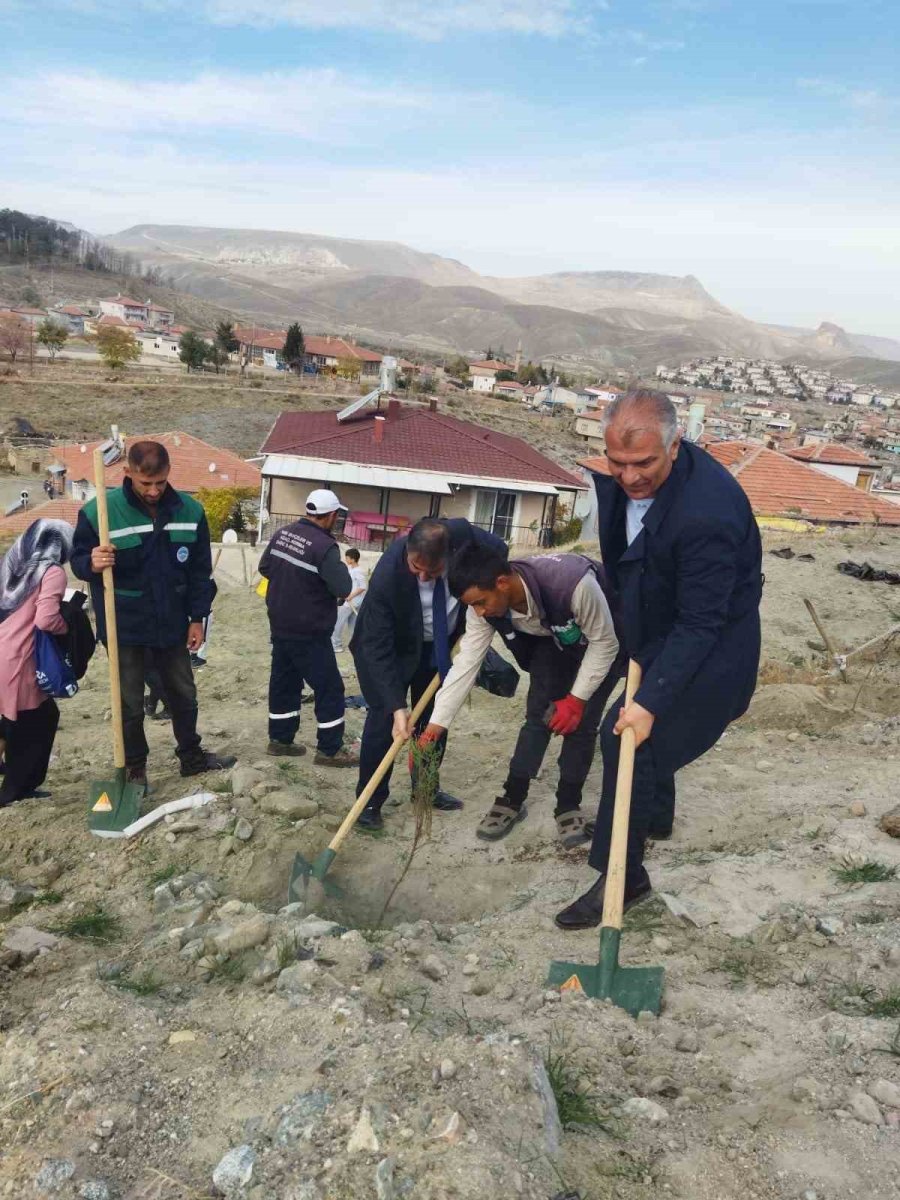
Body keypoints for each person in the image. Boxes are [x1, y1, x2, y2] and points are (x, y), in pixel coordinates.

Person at [555, 389, 763, 929]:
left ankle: (620, 880)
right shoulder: (630, 481)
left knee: (626, 739)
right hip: (662, 635)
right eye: (616, 463)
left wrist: (648, 702)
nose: (628, 477)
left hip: (714, 649)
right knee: (641, 733)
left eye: (643, 462)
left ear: (676, 443)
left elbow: (702, 624)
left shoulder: (707, 514)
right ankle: (657, 818)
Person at [416, 544, 623, 848]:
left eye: (481, 602)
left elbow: (605, 643)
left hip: (600, 639)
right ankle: (513, 797)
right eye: (472, 605)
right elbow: (468, 661)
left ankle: (568, 804)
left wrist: (576, 700)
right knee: (538, 716)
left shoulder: (573, 585)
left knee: (582, 723)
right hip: (548, 638)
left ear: (502, 582)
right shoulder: (483, 606)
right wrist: (437, 724)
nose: (480, 612)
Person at [72, 440, 234, 791]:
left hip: (172, 623)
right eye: (146, 484)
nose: (154, 491)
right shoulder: (98, 512)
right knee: (129, 700)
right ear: (128, 473)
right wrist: (92, 563)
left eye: (160, 482)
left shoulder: (190, 512)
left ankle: (191, 756)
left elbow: (199, 572)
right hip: (124, 625)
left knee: (183, 694)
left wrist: (197, 618)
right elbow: (78, 561)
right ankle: (134, 768)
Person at [350, 516, 506, 831]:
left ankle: (425, 789)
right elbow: (376, 645)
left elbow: (500, 555)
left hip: (440, 648)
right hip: (394, 647)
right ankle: (369, 801)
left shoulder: (476, 548)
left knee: (433, 722)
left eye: (431, 572)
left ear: (452, 556)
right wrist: (396, 704)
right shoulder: (389, 572)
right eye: (415, 568)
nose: (422, 578)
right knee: (384, 721)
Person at [258, 488, 359, 765]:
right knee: (329, 687)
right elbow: (343, 586)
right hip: (309, 629)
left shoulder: (283, 534)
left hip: (279, 622)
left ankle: (280, 740)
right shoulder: (325, 547)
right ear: (332, 516)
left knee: (284, 680)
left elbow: (265, 567)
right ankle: (329, 749)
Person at [0, 519, 72, 808]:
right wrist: (67, 626)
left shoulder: (13, 564)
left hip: (3, 648)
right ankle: (15, 789)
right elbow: (45, 619)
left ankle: (19, 782)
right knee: (35, 722)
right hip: (21, 658)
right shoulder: (52, 572)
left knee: (13, 720)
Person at [331, 548, 367, 653]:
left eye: (347, 557)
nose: (345, 559)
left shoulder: (358, 571)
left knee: (338, 622)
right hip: (351, 600)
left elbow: (362, 587)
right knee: (352, 624)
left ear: (353, 559)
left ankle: (336, 645)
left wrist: (350, 596)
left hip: (352, 601)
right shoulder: (351, 569)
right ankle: (356, 645)